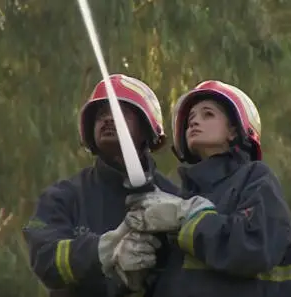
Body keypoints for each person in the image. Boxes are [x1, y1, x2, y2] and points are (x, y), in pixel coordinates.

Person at [124, 80, 291, 297]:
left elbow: (254, 247)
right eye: (190, 119)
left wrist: (188, 216)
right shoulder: (182, 198)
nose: (194, 122)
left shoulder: (255, 179)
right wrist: (137, 270)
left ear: (234, 131)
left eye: (207, 114)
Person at [22, 74, 179, 297]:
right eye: (101, 115)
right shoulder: (64, 196)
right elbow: (44, 258)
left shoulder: (173, 199)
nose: (107, 119)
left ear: (147, 130)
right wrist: (103, 250)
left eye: (120, 113)